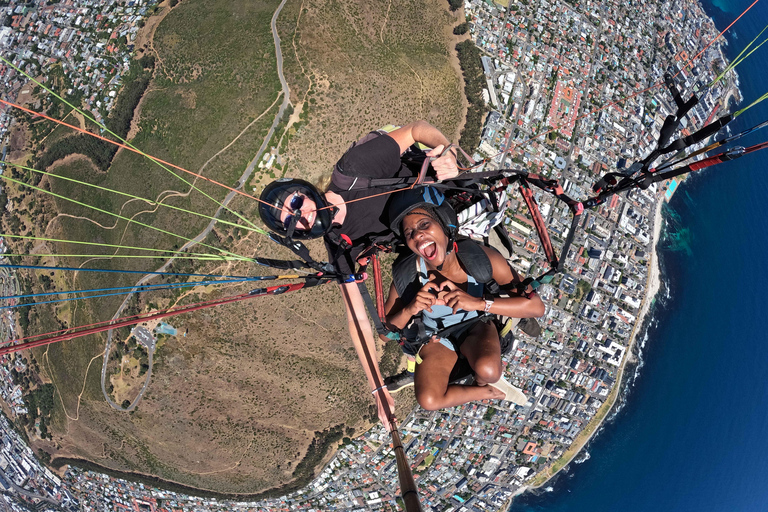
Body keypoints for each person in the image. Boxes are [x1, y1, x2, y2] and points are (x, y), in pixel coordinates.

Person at [259, 122, 460, 430]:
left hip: (437, 207)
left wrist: (444, 152)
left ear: (305, 191)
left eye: (297, 203)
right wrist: (377, 387)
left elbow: (417, 130)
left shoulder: (353, 172)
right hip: (418, 249)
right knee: (388, 327)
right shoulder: (338, 246)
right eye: (291, 223)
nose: (301, 215)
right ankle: (434, 351)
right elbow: (357, 319)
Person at [383, 186, 545, 410]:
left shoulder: (478, 260)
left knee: (488, 370)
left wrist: (477, 303)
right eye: (409, 233)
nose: (418, 235)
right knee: (429, 401)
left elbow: (536, 307)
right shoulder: (409, 275)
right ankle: (486, 390)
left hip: (476, 325)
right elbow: (385, 334)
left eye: (424, 225)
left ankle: (483, 380)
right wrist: (411, 308)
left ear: (443, 224)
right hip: (436, 338)